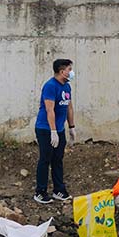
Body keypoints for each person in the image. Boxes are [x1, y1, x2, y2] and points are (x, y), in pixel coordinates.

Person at [33, 59, 75, 204]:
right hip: (45, 129)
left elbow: (69, 108)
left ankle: (59, 190)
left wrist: (71, 127)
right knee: (45, 159)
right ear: (62, 71)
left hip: (60, 129)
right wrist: (53, 131)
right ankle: (40, 192)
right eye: (69, 69)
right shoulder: (50, 86)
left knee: (58, 159)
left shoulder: (67, 87)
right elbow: (49, 110)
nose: (71, 72)